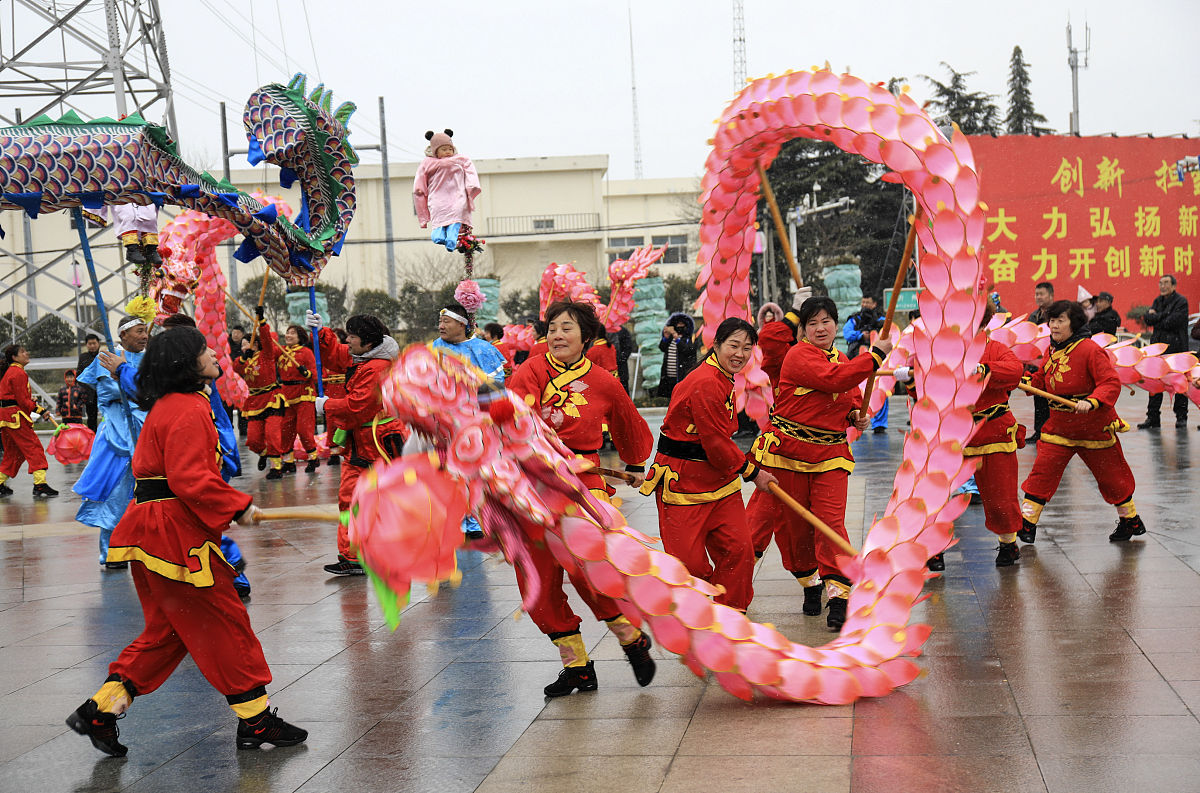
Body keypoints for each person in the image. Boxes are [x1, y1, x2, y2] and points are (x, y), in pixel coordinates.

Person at [66, 326, 306, 757]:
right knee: (226, 623)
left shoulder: (173, 404)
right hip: (173, 535)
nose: (214, 352)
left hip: (156, 530)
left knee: (168, 633)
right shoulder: (187, 409)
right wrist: (236, 505)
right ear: (185, 364)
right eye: (203, 349)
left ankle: (100, 710)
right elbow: (189, 477)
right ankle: (256, 721)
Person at [507, 300, 656, 696]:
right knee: (536, 579)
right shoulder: (531, 370)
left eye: (567, 328)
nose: (557, 335)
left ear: (586, 336)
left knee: (588, 570)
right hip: (534, 485)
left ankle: (630, 638)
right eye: (552, 327)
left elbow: (632, 428)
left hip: (583, 487)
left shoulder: (605, 381)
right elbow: (516, 422)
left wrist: (636, 460)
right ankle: (577, 667)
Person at [746, 297, 892, 630]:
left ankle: (839, 595)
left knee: (830, 523)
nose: (820, 328)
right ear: (802, 331)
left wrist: (856, 416)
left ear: (836, 325)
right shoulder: (798, 356)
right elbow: (832, 379)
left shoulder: (840, 358)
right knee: (794, 532)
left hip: (830, 456)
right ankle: (810, 583)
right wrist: (875, 356)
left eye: (826, 321)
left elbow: (850, 397)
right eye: (812, 323)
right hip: (786, 456)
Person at [103, 313, 251, 597]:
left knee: (203, 522)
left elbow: (150, 391)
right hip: (193, 462)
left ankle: (230, 573)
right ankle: (227, 574)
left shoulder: (186, 400)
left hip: (207, 455)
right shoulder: (184, 397)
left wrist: (123, 371)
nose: (213, 353)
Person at [642, 317, 777, 616]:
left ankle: (731, 615)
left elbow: (718, 443)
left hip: (719, 481)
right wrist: (754, 473)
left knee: (739, 551)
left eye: (747, 348)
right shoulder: (705, 381)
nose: (740, 354)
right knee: (688, 565)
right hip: (683, 483)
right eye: (733, 345)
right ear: (716, 345)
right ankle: (705, 614)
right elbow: (716, 443)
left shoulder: (722, 378)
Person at [896, 301, 1026, 567]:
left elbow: (1014, 372)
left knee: (1000, 496)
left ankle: (1008, 544)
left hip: (991, 430)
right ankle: (934, 549)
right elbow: (925, 394)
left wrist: (984, 369)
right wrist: (911, 380)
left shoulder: (995, 349)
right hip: (948, 435)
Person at [1018, 300, 1144, 545]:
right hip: (1060, 427)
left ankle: (1130, 520)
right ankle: (1026, 524)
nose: (1054, 326)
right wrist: (1025, 381)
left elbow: (1110, 383)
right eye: (1051, 320)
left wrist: (1092, 401)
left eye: (1060, 320)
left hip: (1093, 426)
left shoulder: (1090, 350)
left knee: (1112, 478)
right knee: (1041, 473)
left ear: (1073, 324)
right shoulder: (1052, 350)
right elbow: (1042, 379)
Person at [307, 311, 406, 576]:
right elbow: (336, 355)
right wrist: (321, 332)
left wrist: (326, 404)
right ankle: (352, 556)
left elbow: (356, 407)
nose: (347, 341)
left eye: (352, 336)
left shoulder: (376, 368)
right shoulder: (366, 357)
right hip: (362, 442)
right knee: (352, 500)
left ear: (368, 342)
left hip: (377, 442)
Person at [75, 317, 149, 565]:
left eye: (146, 331)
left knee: (149, 492)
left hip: (147, 428)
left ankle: (149, 549)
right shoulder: (108, 357)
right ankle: (111, 551)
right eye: (139, 331)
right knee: (114, 491)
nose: (145, 335)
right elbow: (105, 389)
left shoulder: (152, 358)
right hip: (117, 431)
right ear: (124, 334)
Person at [430, 303, 507, 539]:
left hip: (473, 422)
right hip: (444, 422)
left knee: (473, 472)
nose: (441, 326)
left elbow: (498, 383)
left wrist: (469, 383)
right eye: (440, 322)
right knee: (445, 470)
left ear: (462, 325)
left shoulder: (483, 349)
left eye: (447, 322)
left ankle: (474, 520)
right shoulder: (435, 347)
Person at [0, 344, 59, 498]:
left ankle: (0, 483)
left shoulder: (11, 372)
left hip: (6, 418)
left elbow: (17, 398)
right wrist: (41, 410)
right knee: (34, 448)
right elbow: (23, 401)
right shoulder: (18, 373)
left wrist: (30, 403)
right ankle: (40, 485)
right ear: (14, 357)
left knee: (13, 454)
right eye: (23, 352)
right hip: (16, 418)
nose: (27, 353)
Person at [232, 316, 287, 479]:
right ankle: (264, 454)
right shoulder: (240, 360)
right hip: (254, 402)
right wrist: (244, 356)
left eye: (245, 344)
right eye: (241, 345)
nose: (242, 347)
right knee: (254, 439)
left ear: (255, 344)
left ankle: (276, 467)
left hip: (272, 398)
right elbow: (236, 368)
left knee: (272, 434)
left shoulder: (266, 355)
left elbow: (267, 339)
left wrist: (262, 322)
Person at [413, 128, 481, 251]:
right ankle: (437, 236)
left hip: (457, 197)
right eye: (444, 149)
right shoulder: (427, 163)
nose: (448, 152)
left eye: (450, 149)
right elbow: (419, 186)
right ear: (435, 152)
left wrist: (471, 188)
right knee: (440, 218)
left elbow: (471, 174)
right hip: (438, 198)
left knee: (456, 217)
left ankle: (451, 240)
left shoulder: (462, 160)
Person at [1139, 275, 1190, 429]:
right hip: (1158, 349)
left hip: (1176, 350)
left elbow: (1172, 322)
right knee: (1155, 384)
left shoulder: (1181, 301)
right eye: (1160, 283)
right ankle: (1153, 417)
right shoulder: (1157, 300)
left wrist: (1157, 316)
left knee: (1179, 383)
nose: (1162, 286)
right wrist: (1160, 316)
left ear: (1174, 286)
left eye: (1166, 283)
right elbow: (1147, 319)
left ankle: (1181, 417)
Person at [843, 295, 890, 434]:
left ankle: (879, 423)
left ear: (874, 303)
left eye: (868, 302)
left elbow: (887, 334)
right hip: (857, 357)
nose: (865, 305)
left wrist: (874, 333)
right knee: (857, 390)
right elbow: (847, 333)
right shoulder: (855, 319)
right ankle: (858, 419)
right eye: (863, 302)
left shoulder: (882, 320)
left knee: (880, 389)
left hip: (877, 359)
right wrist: (860, 335)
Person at [277, 324, 319, 473]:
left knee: (303, 428)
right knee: (285, 429)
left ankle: (313, 457)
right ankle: (288, 461)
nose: (288, 335)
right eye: (287, 333)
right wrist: (262, 322)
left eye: (292, 333)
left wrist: (306, 373)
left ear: (300, 337)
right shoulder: (281, 352)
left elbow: (315, 374)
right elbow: (269, 343)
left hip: (304, 394)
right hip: (286, 395)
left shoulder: (306, 352)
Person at [1027, 281, 1055, 441]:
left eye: (1041, 294)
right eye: (1036, 294)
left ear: (1051, 295)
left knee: (1054, 400)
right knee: (1038, 398)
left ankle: (1053, 432)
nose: (1038, 297)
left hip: (1055, 363)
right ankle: (1039, 432)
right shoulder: (1034, 316)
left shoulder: (1059, 314)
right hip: (1037, 365)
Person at [656, 313, 696, 399]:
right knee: (669, 397)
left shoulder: (689, 338)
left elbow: (687, 350)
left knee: (681, 397)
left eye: (682, 324)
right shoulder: (670, 338)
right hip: (669, 375)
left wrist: (677, 338)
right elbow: (662, 348)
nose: (679, 326)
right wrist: (666, 337)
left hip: (682, 375)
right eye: (678, 324)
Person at [77, 333, 101, 431]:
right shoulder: (83, 357)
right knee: (91, 417)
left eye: (94, 343)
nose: (92, 346)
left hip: (102, 390)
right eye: (89, 344)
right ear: (86, 345)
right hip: (89, 393)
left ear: (98, 343)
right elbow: (79, 374)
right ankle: (92, 436)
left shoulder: (102, 355)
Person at [611, 324, 635, 394]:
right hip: (607, 370)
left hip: (621, 369)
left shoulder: (622, 331)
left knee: (623, 391)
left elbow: (628, 348)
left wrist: (619, 359)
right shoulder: (602, 332)